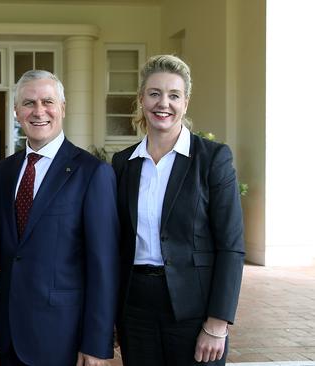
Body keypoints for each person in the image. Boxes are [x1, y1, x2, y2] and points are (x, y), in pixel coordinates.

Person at [111, 54, 245, 366]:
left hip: (194, 309)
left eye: (174, 95)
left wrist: (217, 322)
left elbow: (231, 246)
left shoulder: (212, 159)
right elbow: (116, 245)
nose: (163, 103)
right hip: (136, 309)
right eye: (155, 93)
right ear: (141, 98)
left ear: (185, 102)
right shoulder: (123, 163)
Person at [0, 70, 120, 366]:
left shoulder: (92, 173)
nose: (39, 111)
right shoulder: (2, 172)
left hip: (62, 334)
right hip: (10, 328)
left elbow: (104, 265)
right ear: (17, 111)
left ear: (62, 107)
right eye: (29, 103)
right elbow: (1, 240)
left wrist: (96, 342)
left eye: (48, 101)